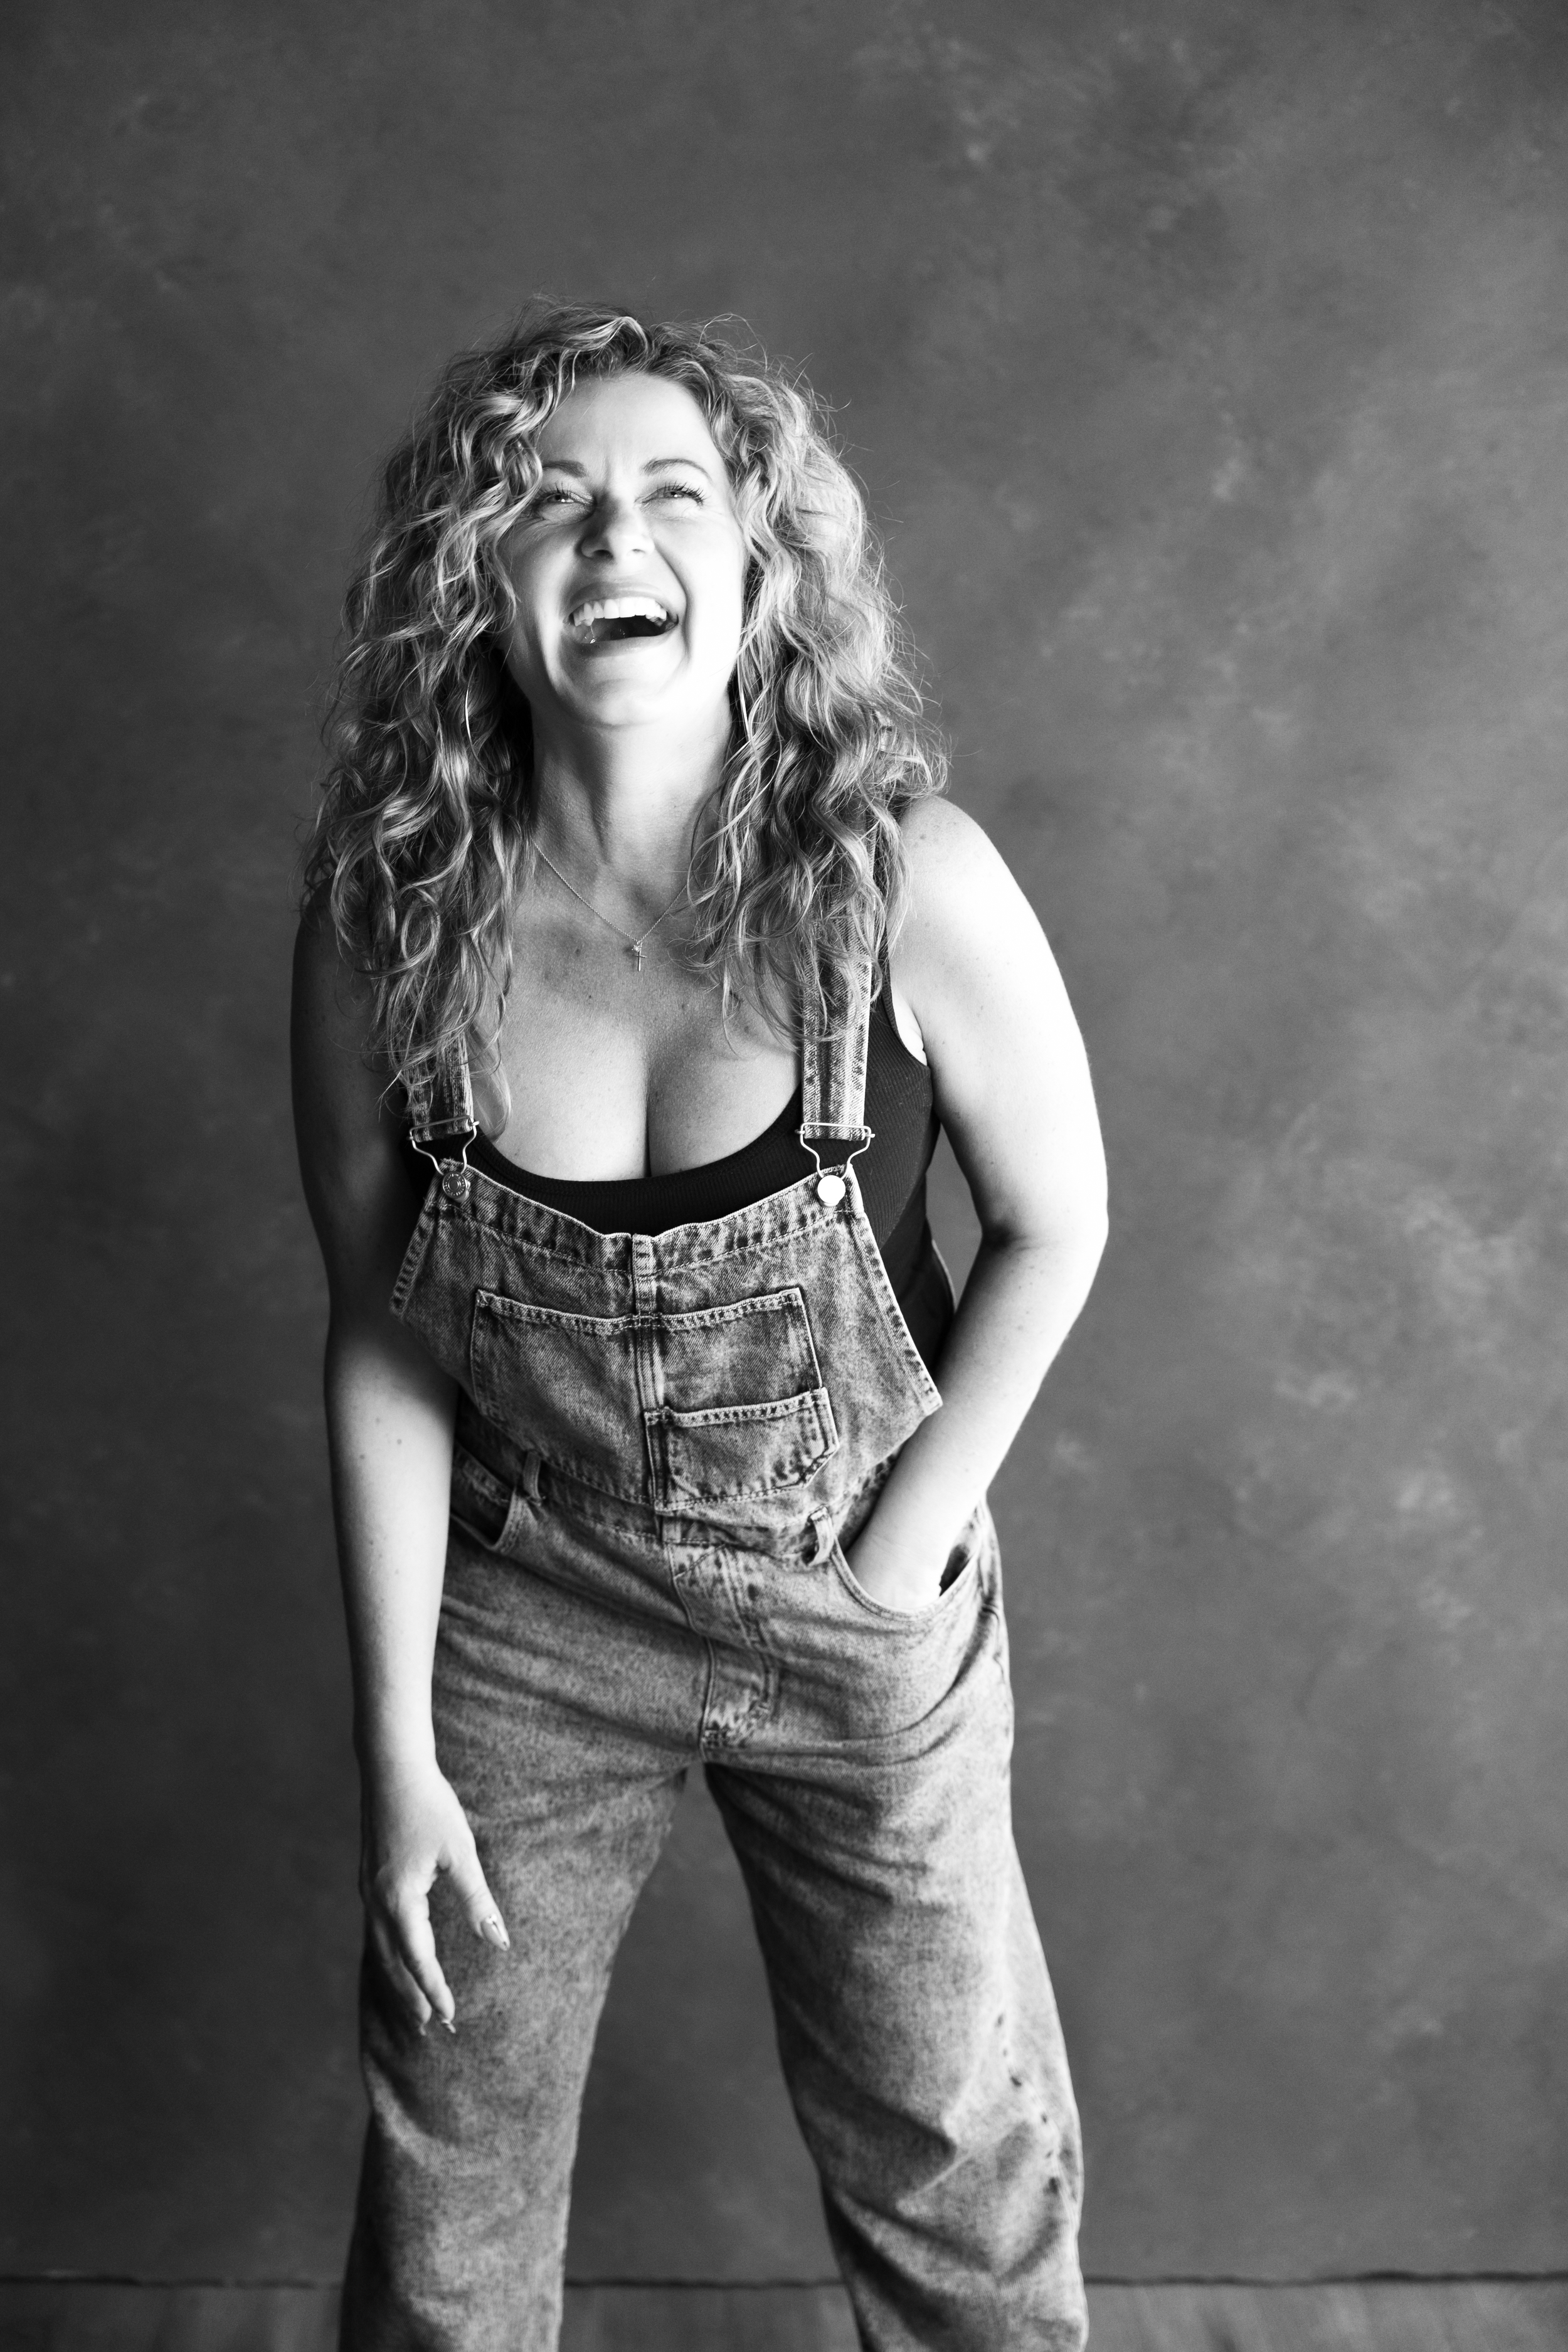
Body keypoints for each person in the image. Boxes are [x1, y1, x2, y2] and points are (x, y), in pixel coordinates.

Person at [291, 301, 1107, 2352]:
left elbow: (1057, 1221)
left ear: (757, 568)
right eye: (545, 504)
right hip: (530, 1614)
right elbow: (384, 1337)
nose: (609, 543)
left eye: (671, 495)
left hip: (859, 1608)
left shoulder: (904, 880)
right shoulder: (389, 920)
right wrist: (398, 1743)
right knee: (447, 2181)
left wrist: (908, 1540)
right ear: (474, 576)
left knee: (953, 2159)